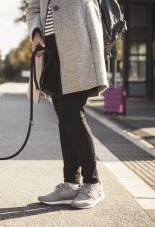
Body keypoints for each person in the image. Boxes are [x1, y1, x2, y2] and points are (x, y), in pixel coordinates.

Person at [26, 0, 109, 209]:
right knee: (65, 119)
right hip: (49, 52)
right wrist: (36, 33)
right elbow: (33, 7)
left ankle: (93, 183)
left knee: (72, 114)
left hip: (78, 47)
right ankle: (72, 182)